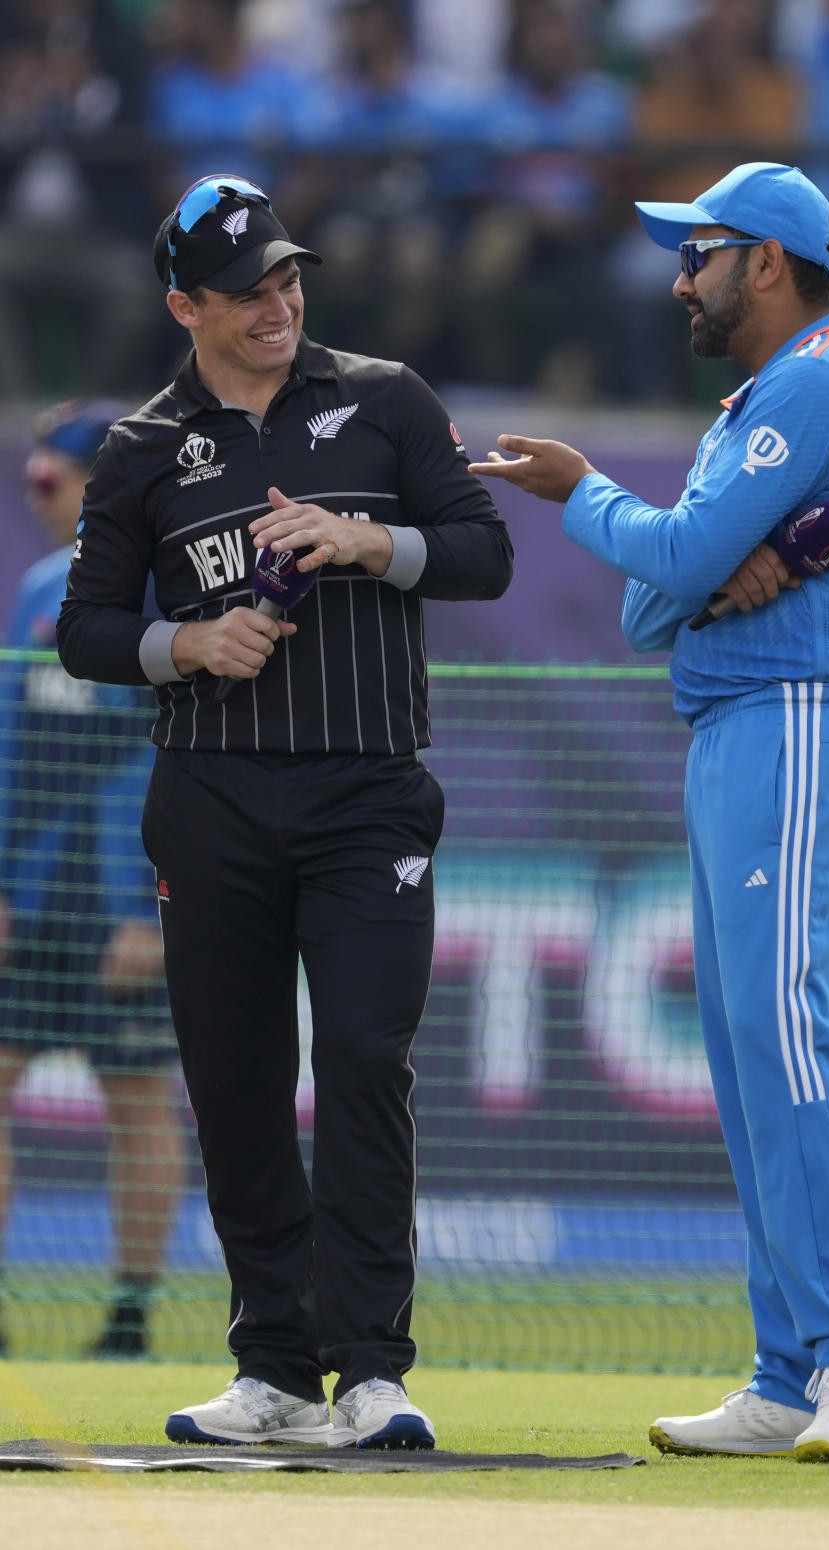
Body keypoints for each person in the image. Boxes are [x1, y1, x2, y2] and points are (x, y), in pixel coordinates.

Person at [468, 160, 829, 1463]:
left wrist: (585, 494)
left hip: (803, 716)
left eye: (702, 252)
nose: (681, 276)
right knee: (745, 1061)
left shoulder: (823, 379)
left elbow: (666, 559)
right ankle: (791, 1366)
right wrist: (697, 558)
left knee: (790, 1030)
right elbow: (649, 604)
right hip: (738, 724)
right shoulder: (749, 406)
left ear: (769, 263)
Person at [57, 173, 513, 1448]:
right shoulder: (144, 445)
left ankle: (371, 1370)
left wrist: (374, 546)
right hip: (209, 796)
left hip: (370, 790)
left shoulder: (385, 397)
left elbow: (483, 553)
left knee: (366, 1058)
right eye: (247, 289)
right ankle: (273, 1368)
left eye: (287, 277)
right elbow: (85, 629)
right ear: (183, 305)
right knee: (239, 1079)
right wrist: (188, 646)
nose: (279, 302)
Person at [0, 400, 183, 1359]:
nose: (39, 494)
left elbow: (175, 759)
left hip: (123, 909)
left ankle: (128, 1312)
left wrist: (151, 904)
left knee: (137, 1097)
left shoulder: (163, 597)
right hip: (31, 903)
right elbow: (10, 752)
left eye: (50, 478)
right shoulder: (36, 590)